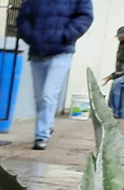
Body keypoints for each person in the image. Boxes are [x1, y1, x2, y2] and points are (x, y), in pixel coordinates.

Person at [16, 0, 93, 150]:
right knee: (39, 98)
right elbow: (22, 18)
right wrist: (31, 37)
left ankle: (41, 135)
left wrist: (65, 35)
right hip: (37, 52)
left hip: (61, 52)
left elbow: (85, 15)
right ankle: (48, 124)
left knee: (48, 94)